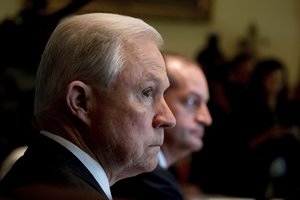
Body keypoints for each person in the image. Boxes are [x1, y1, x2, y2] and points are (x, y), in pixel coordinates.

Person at [0, 13, 176, 200]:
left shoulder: (37, 175)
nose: (168, 118)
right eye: (147, 92)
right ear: (80, 102)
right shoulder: (63, 194)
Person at [111, 52, 212, 200]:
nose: (206, 119)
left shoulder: (160, 177)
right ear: (154, 96)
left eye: (205, 104)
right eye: (191, 102)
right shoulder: (151, 183)